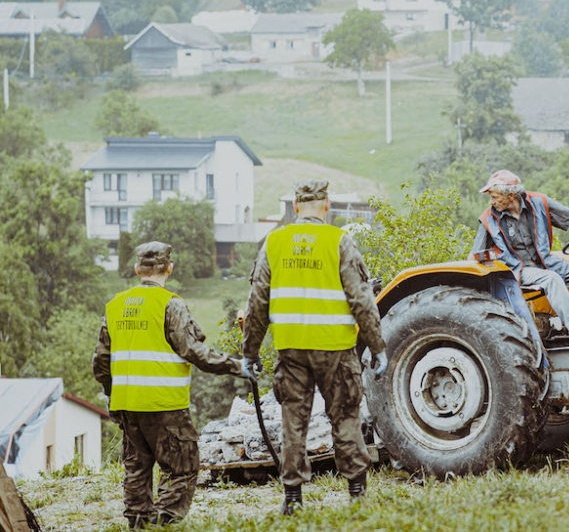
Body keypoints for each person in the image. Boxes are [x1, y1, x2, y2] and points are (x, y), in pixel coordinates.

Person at [242, 179, 387, 514]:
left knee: (293, 420)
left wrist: (250, 352)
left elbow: (257, 302)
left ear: (295, 207)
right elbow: (362, 301)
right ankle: (357, 494)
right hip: (336, 348)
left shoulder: (274, 243)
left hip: (291, 349)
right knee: (346, 416)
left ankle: (292, 499)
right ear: (327, 205)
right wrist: (377, 345)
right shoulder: (339, 241)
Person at [93, 242, 246, 529]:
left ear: (138, 270)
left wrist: (111, 396)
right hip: (165, 406)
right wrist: (238, 366)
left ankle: (139, 524)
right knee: (181, 468)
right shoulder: (170, 304)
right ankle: (163, 525)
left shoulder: (114, 306)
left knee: (136, 471)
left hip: (128, 405)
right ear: (169, 269)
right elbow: (194, 351)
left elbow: (100, 361)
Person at [469, 169, 569, 345]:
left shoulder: (539, 203)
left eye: (494, 197)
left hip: (549, 264)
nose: (491, 201)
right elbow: (474, 256)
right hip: (519, 271)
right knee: (552, 279)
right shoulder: (490, 218)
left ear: (510, 195)